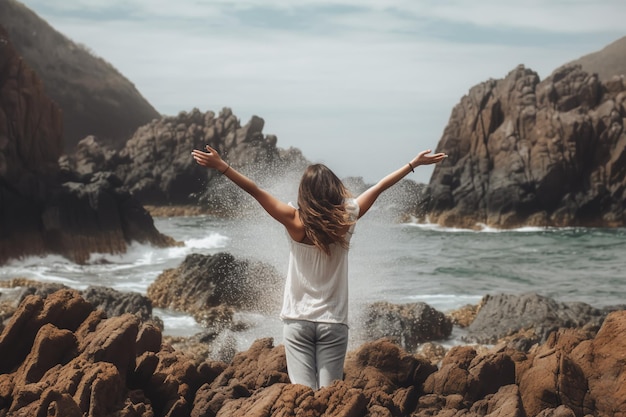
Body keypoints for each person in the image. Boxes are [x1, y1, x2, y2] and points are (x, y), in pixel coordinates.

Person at [191, 145, 447, 390]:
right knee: (328, 396)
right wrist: (413, 164)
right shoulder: (347, 218)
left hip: (297, 321)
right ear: (334, 188)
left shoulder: (294, 220)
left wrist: (222, 166)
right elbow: (380, 187)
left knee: (303, 395)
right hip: (333, 323)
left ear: (305, 192)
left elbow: (255, 190)